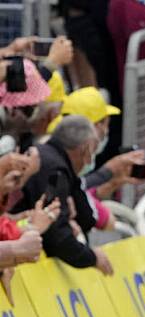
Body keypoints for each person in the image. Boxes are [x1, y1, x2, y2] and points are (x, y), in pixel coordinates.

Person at [9, 115, 112, 274]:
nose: (90, 161)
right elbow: (57, 234)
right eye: (92, 151)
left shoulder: (50, 159)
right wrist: (92, 258)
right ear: (85, 149)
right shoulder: (55, 172)